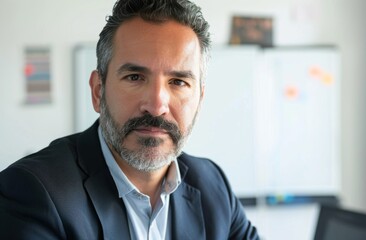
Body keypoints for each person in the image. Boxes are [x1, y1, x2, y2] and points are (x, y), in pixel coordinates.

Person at [0, 0, 259, 239]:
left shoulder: (213, 186)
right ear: (98, 91)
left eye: (178, 82)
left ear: (199, 100)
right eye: (135, 77)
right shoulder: (34, 191)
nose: (157, 106)